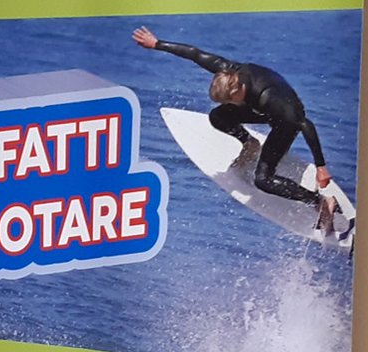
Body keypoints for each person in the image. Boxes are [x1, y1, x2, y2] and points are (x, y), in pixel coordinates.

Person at [134, 26, 335, 216]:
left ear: (238, 90)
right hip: (261, 109)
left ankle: (320, 202)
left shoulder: (269, 98)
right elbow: (194, 54)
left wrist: (321, 166)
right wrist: (157, 43)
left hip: (286, 120)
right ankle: (249, 144)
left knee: (263, 180)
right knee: (218, 116)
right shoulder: (228, 71)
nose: (229, 105)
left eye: (230, 100)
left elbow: (304, 123)